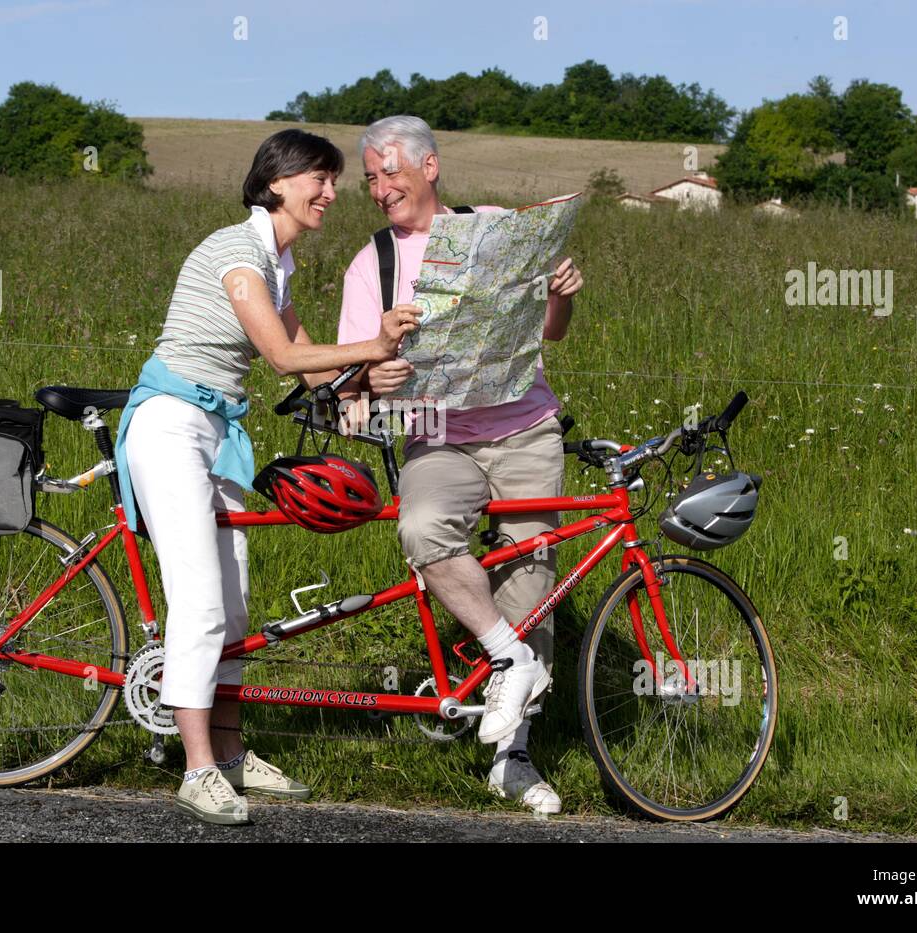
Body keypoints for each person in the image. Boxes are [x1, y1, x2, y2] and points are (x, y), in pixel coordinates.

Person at [115, 129, 420, 825]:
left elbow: (313, 360)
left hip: (217, 432)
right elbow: (282, 357)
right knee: (199, 602)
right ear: (278, 181)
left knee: (237, 606)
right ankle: (195, 770)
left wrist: (366, 375)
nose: (334, 193)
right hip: (169, 424)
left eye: (336, 181)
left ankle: (227, 753)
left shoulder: (276, 264)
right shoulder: (237, 252)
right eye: (323, 177)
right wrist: (372, 341)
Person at [336, 115, 584, 814]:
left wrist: (561, 291)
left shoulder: (497, 228)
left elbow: (550, 332)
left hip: (526, 428)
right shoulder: (373, 263)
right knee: (422, 527)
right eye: (371, 179)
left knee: (530, 576)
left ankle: (514, 758)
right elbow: (351, 381)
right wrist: (371, 379)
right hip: (438, 437)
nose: (381, 189)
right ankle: (512, 656)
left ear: (431, 166)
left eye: (391, 173)